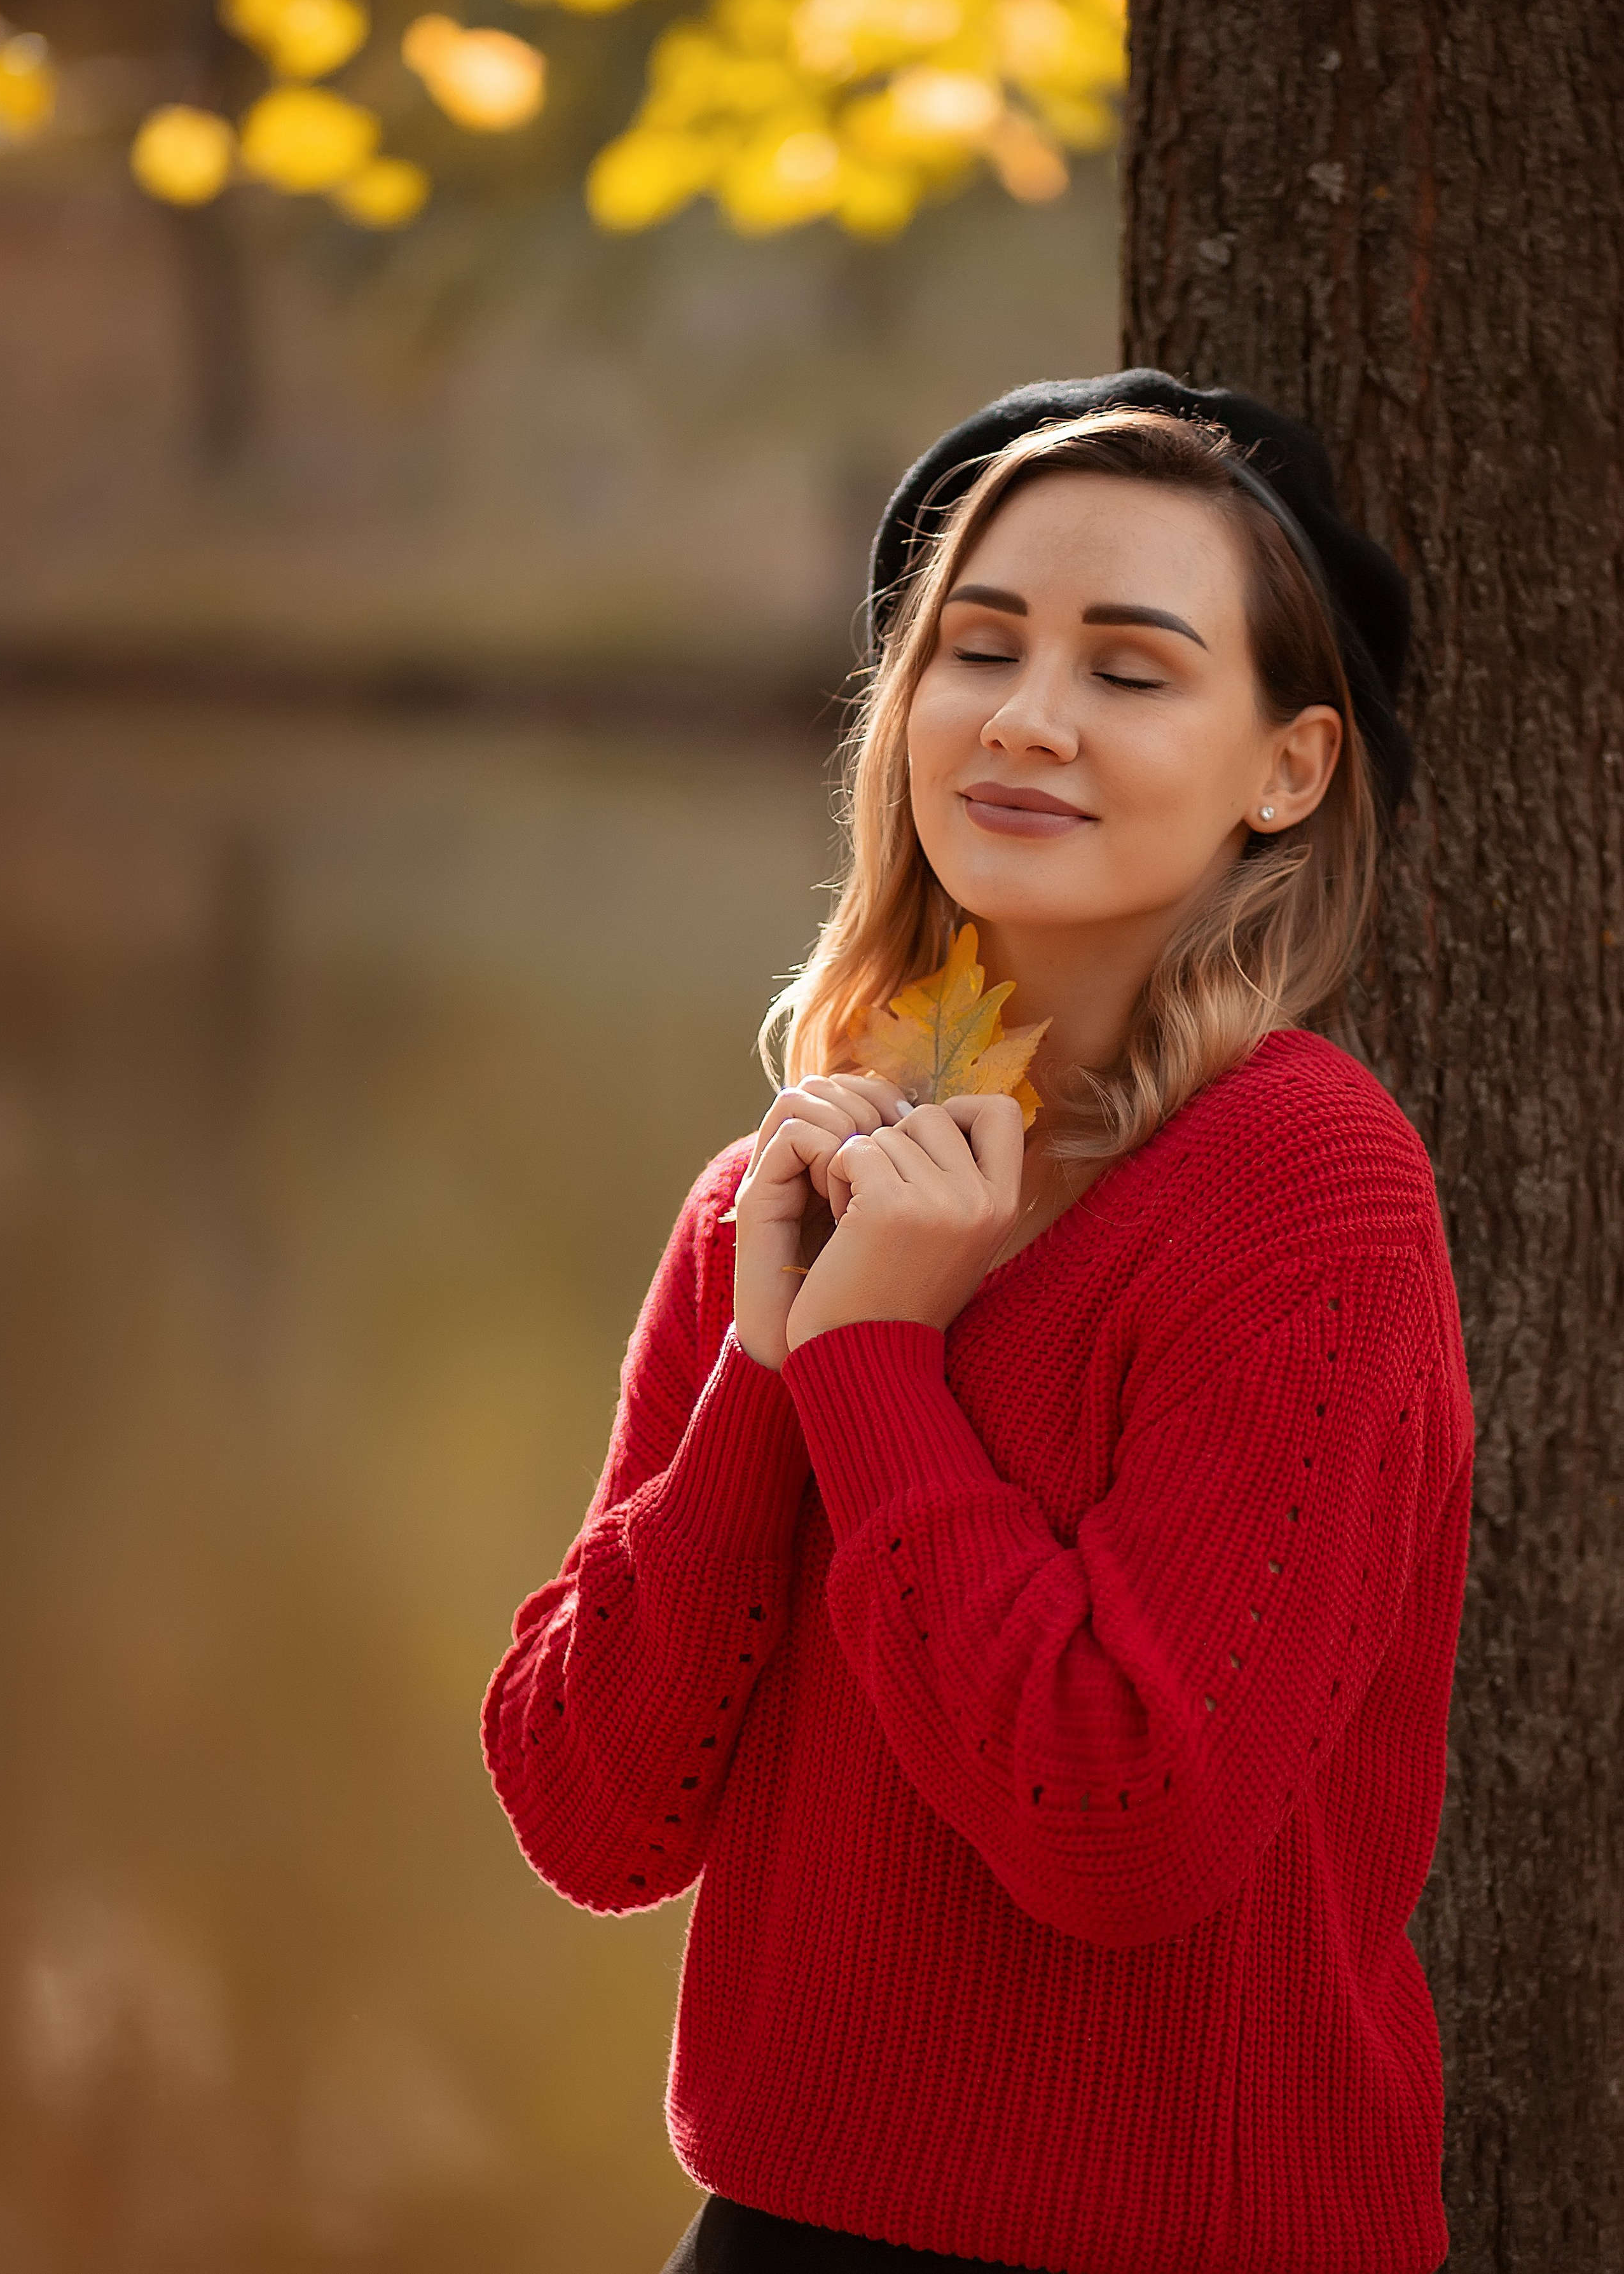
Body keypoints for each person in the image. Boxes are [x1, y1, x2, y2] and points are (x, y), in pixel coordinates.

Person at [481, 373, 1473, 2274]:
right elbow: (595, 1814)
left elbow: (1124, 1825)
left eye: (1132, 668)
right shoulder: (777, 1192)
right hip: (775, 2231)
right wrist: (777, 1357)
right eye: (980, 646)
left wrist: (874, 1370)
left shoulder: (1303, 1186)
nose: (1025, 717)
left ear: (1288, 768)